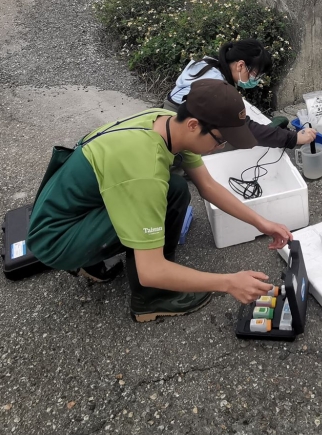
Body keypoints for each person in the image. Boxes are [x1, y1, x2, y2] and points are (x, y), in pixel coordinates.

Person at [27, 80, 292, 323]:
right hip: (55, 238)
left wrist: (262, 222)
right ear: (193, 126)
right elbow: (150, 270)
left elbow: (208, 186)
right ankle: (150, 299)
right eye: (220, 140)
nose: (221, 148)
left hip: (71, 210)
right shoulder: (145, 169)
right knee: (164, 197)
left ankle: (93, 259)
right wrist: (228, 282)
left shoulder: (167, 122)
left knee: (175, 188)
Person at [166, 38, 316, 149]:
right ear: (240, 65)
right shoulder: (216, 86)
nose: (257, 80)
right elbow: (244, 128)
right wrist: (293, 138)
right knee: (235, 144)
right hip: (179, 129)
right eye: (256, 74)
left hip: (168, 113)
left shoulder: (208, 64)